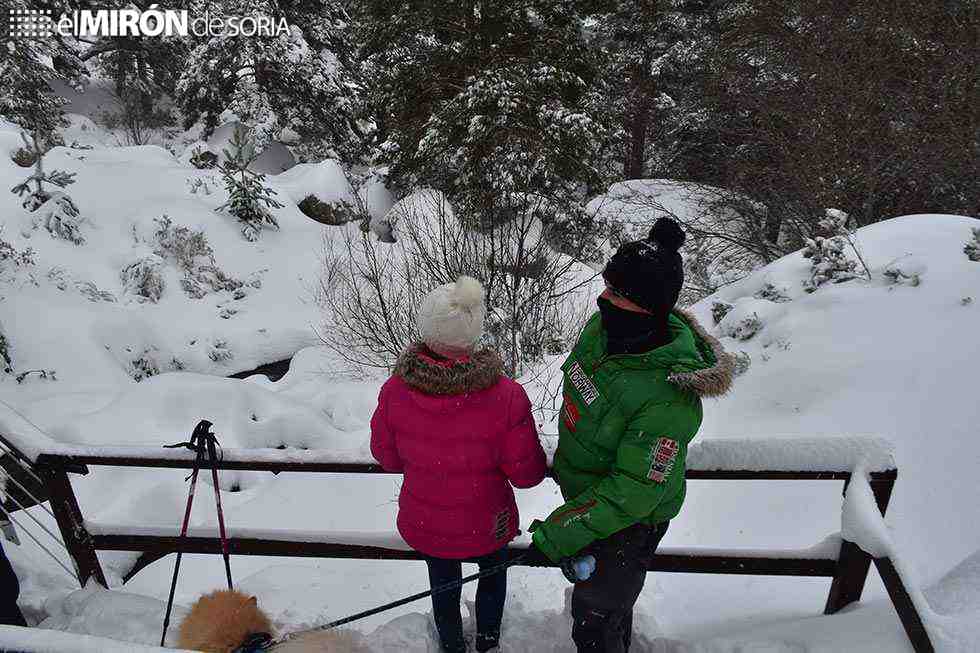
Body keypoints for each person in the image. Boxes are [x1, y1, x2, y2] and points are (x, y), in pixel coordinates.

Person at [530, 218, 734, 652]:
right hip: (588, 500)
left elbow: (633, 491)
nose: (604, 299)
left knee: (596, 618)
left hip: (630, 524)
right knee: (603, 609)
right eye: (607, 287)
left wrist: (560, 531)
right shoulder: (601, 331)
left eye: (618, 294)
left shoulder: (667, 396)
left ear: (649, 307)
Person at [370, 276, 548, 653]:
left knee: (443, 579)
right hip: (487, 520)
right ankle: (487, 642)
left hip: (428, 519)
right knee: (493, 571)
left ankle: (451, 644)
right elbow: (527, 474)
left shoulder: (396, 391)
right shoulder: (506, 395)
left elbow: (386, 457)